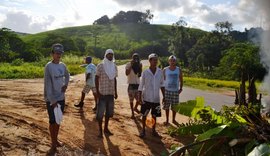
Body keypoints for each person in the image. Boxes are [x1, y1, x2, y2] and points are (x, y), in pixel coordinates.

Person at [44, 43, 70, 154]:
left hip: (61, 97)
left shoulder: (62, 65)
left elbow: (67, 75)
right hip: (51, 99)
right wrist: (52, 100)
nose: (58, 55)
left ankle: (56, 139)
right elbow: (47, 84)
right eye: (56, 53)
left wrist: (66, 84)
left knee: (58, 120)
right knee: (53, 121)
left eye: (60, 53)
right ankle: (53, 142)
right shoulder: (48, 66)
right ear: (52, 54)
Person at [138, 53, 165, 138]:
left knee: (154, 115)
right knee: (144, 115)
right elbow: (141, 85)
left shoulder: (160, 72)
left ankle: (153, 131)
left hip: (156, 99)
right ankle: (143, 130)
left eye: (156, 60)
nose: (155, 62)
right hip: (146, 98)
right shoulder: (145, 72)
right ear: (150, 61)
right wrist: (139, 97)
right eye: (154, 60)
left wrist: (164, 96)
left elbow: (162, 85)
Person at [95, 49, 118, 138]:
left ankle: (106, 129)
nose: (110, 56)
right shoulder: (100, 65)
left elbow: (115, 79)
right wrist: (97, 92)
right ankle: (100, 131)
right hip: (102, 93)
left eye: (112, 55)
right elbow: (96, 78)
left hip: (110, 93)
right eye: (109, 54)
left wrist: (115, 92)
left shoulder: (114, 66)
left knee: (109, 113)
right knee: (100, 114)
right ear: (105, 55)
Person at [163, 55, 183, 125]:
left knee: (174, 107)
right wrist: (163, 91)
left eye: (173, 61)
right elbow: (163, 80)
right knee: (166, 106)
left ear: (175, 61)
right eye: (171, 61)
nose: (172, 62)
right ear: (169, 61)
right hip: (167, 91)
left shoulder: (178, 70)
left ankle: (173, 119)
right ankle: (167, 120)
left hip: (175, 91)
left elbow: (181, 79)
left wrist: (180, 88)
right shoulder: (165, 69)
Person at [125, 53, 142, 119]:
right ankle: (132, 113)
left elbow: (140, 75)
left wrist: (140, 67)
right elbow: (127, 73)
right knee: (131, 101)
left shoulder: (139, 64)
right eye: (134, 58)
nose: (136, 59)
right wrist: (131, 65)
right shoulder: (128, 64)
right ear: (132, 58)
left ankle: (135, 108)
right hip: (131, 85)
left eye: (137, 58)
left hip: (138, 85)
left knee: (139, 100)